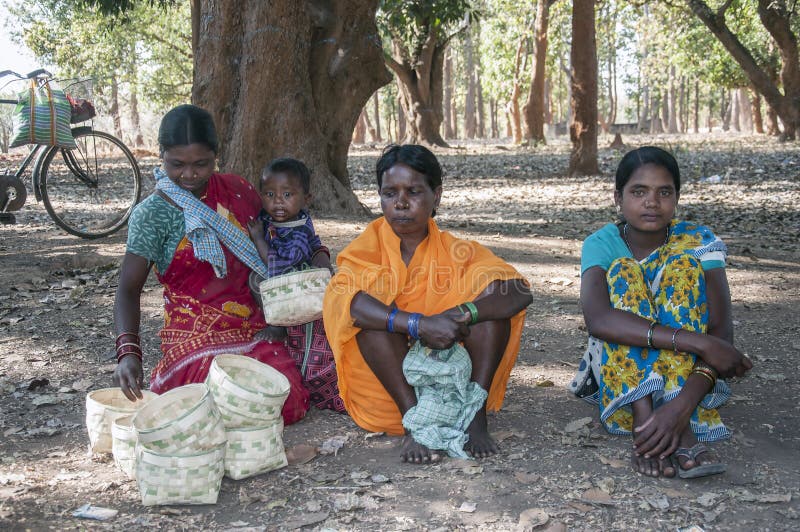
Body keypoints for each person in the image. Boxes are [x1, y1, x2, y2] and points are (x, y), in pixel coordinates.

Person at [323, 144, 532, 464]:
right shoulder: (366, 249)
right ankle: (416, 425)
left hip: (453, 379)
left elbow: (517, 291)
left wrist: (464, 314)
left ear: (437, 195)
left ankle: (474, 415)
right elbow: (345, 301)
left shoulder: (457, 251)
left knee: (490, 314)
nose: (401, 203)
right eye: (390, 193)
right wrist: (417, 324)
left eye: (414, 191)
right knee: (369, 323)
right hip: (391, 388)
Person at [112, 104, 309, 425]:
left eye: (201, 164)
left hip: (255, 329)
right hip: (192, 338)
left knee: (285, 401)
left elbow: (284, 237)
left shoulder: (239, 191)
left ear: (216, 157)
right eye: (177, 164)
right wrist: (128, 355)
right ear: (160, 156)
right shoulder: (151, 215)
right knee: (207, 403)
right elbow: (128, 289)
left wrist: (317, 254)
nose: (189, 175)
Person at [572, 146, 753, 479]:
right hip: (616, 365)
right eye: (638, 191)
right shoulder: (601, 243)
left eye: (663, 192)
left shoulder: (698, 240)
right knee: (624, 271)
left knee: (683, 267)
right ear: (618, 196)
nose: (651, 202)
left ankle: (670, 418)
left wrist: (680, 409)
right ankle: (644, 412)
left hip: (688, 381)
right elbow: (599, 320)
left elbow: (720, 332)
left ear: (677, 197)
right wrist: (698, 343)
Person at [246, 157, 344, 412]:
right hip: (291, 281)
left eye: (287, 194)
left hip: (296, 288)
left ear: (306, 198)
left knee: (257, 280)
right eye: (269, 194)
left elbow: (274, 264)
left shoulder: (297, 232)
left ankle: (276, 324)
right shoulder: (281, 219)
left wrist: (257, 238)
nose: (278, 201)